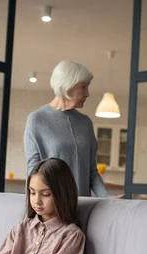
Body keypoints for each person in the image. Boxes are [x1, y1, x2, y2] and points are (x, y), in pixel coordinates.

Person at [24, 60, 124, 198]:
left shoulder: (85, 122)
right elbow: (33, 171)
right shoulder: (37, 119)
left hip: (82, 206)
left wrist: (106, 198)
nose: (87, 93)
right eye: (83, 87)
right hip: (53, 208)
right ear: (67, 85)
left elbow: (91, 170)